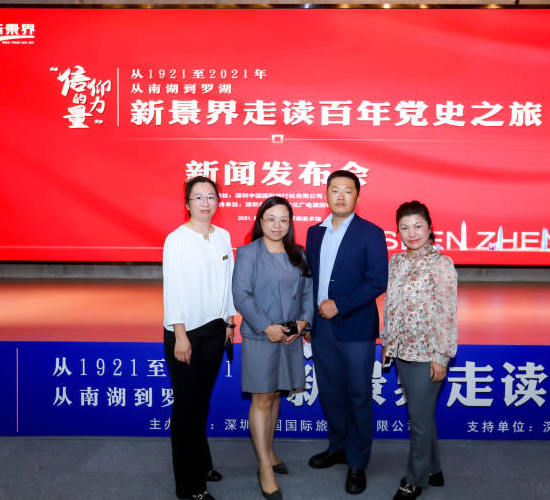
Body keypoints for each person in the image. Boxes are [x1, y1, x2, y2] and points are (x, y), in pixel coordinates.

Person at [304, 170, 388, 495]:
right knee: (330, 393)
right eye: (335, 190)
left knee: (358, 395)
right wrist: (308, 319)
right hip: (321, 328)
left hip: (355, 328)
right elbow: (310, 280)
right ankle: (337, 446)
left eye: (347, 191)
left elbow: (377, 280)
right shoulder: (315, 233)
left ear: (357, 197)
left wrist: (340, 305)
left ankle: (357, 461)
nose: (340, 196)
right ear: (326, 194)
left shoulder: (371, 233)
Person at [232, 196, 314, 500]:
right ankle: (264, 466)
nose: (277, 225)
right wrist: (267, 327)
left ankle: (268, 451)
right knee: (262, 397)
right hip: (261, 336)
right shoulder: (248, 253)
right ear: (260, 221)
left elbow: (308, 292)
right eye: (271, 219)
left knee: (277, 392)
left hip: (289, 336)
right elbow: (241, 295)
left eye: (283, 220)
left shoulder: (298, 253)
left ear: (290, 223)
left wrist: (302, 323)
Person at [162, 176, 237, 500]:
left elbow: (228, 283)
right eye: (198, 197)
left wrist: (230, 323)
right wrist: (180, 334)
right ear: (187, 204)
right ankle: (189, 486)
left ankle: (202, 463)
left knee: (201, 401)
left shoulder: (223, 237)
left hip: (216, 329)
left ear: (218, 201)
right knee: (186, 407)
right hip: (185, 333)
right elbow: (173, 290)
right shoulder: (176, 240)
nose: (206, 203)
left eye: (211, 197)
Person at [381, 200, 458, 500]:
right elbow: (391, 306)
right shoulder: (396, 261)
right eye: (404, 227)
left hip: (428, 354)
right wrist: (388, 342)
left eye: (417, 226)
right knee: (422, 415)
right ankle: (433, 470)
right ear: (397, 231)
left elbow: (447, 313)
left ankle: (414, 479)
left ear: (429, 228)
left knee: (419, 419)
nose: (411, 233)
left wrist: (441, 356)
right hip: (402, 351)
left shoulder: (441, 264)